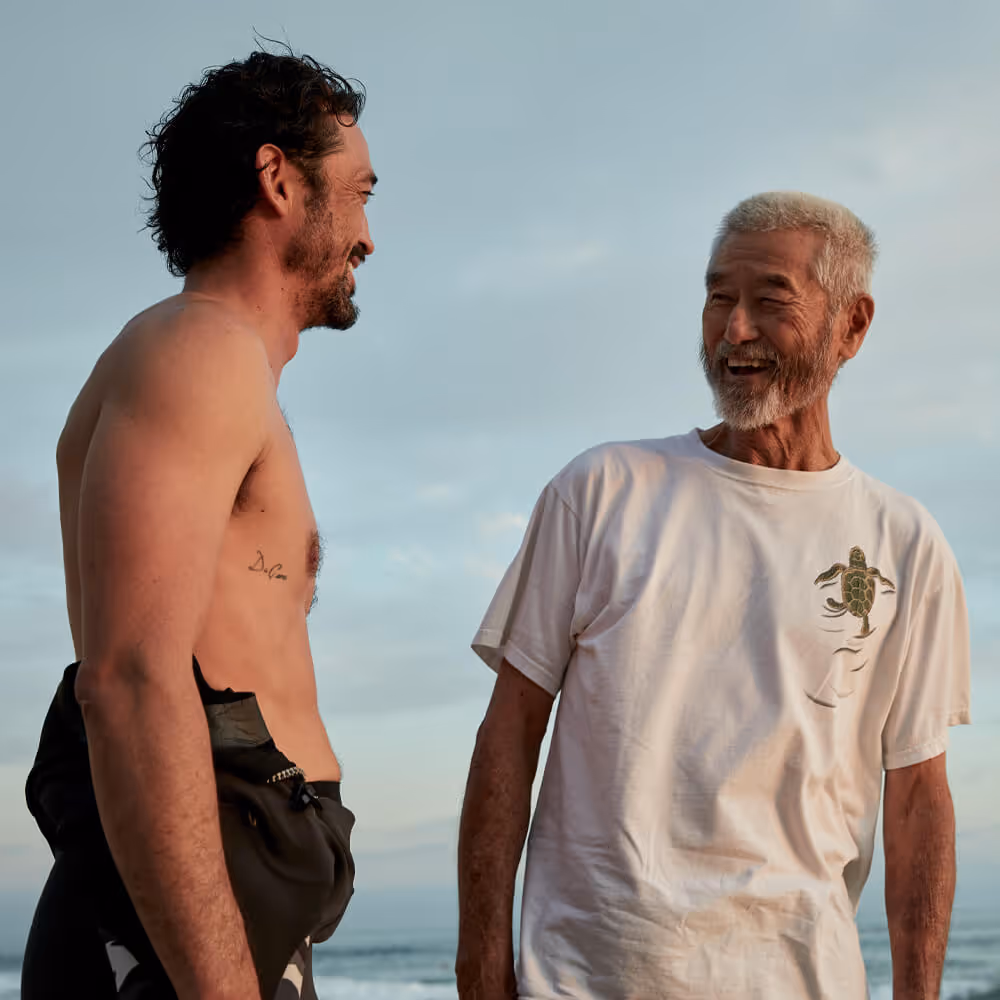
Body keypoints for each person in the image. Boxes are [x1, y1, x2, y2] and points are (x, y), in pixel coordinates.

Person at [456, 192, 970, 1000]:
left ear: (853, 327)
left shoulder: (906, 543)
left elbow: (917, 800)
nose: (734, 330)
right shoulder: (600, 492)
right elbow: (509, 735)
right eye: (717, 298)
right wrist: (481, 967)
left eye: (770, 301)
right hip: (585, 981)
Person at [22, 48, 376, 1000]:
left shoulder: (216, 367)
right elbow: (133, 680)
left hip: (211, 899)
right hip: (180, 925)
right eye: (359, 194)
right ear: (278, 181)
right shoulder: (200, 350)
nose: (369, 237)